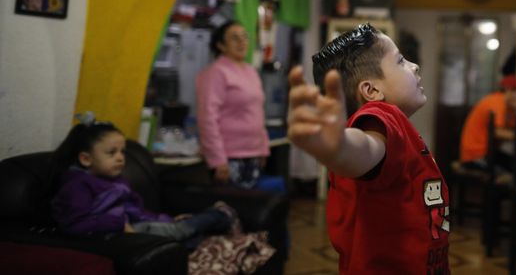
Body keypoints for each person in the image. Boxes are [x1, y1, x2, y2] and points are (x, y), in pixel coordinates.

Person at [287, 23, 450, 274]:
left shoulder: (400, 129)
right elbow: (365, 148)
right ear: (371, 90)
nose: (414, 66)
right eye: (400, 61)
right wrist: (339, 148)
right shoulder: (380, 117)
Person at [49, 115, 233, 245]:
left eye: (122, 151)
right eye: (111, 153)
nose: (121, 158)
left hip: (134, 227)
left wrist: (167, 220)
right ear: (85, 159)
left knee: (179, 232)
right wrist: (118, 224)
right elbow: (74, 224)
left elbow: (137, 211)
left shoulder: (116, 181)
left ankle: (209, 228)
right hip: (119, 234)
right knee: (181, 233)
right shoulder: (76, 185)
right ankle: (219, 215)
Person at [196, 21, 270, 188]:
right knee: (231, 210)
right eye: (234, 38)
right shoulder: (216, 72)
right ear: (221, 45)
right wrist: (217, 159)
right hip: (228, 157)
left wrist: (263, 148)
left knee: (249, 212)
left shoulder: (251, 71)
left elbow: (258, 112)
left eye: (244, 37)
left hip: (253, 154)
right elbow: (207, 118)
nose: (242, 42)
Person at [458, 74, 516, 170]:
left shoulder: (508, 107)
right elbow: (498, 132)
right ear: (508, 89)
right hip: (475, 156)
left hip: (488, 152)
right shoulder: (497, 101)